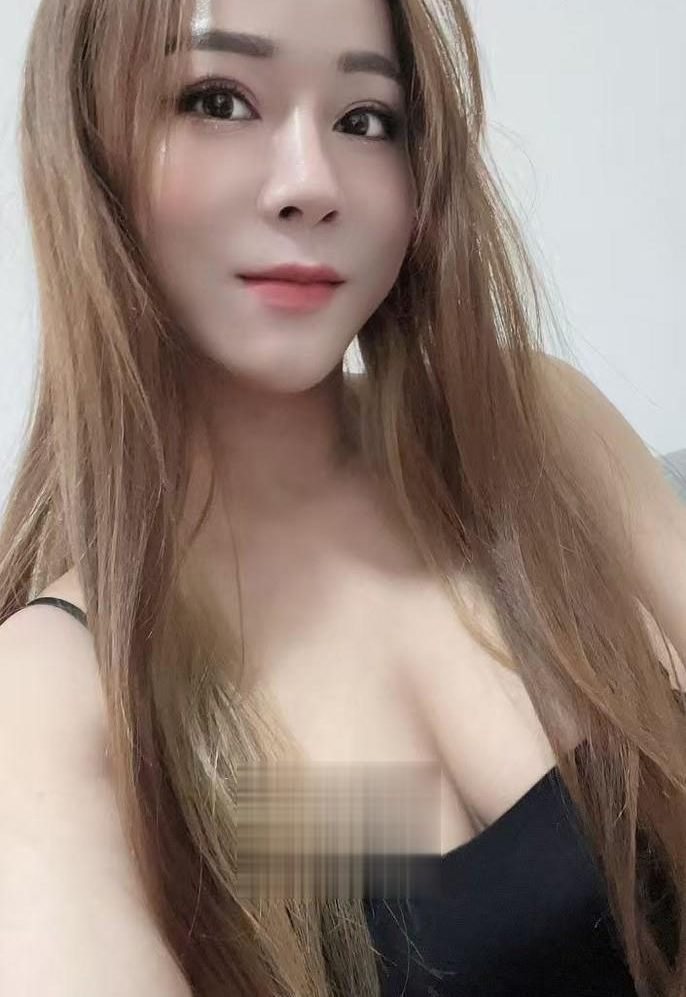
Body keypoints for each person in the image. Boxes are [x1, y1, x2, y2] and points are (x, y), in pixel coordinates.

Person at [1, 0, 685, 994]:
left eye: (366, 118)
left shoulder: (536, 432)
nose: (311, 184)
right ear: (87, 148)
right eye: (217, 100)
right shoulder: (51, 696)